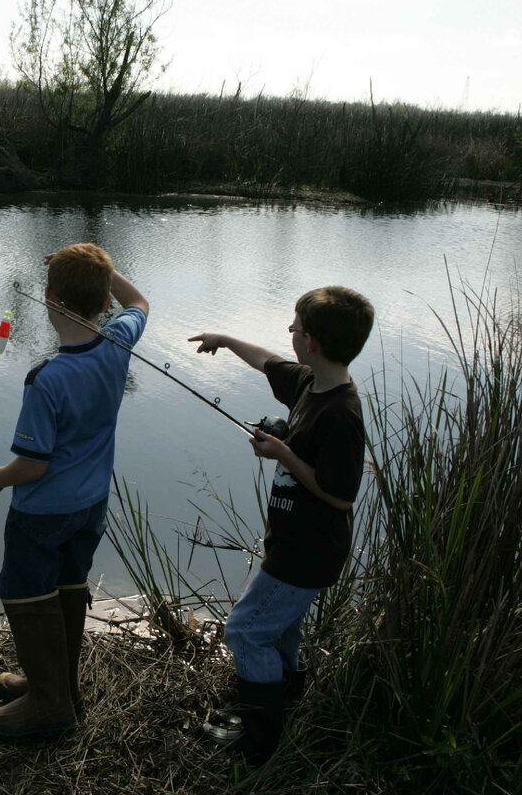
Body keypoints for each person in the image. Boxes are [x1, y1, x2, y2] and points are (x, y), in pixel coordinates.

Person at [0, 243, 149, 738]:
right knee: (67, 586)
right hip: (91, 508)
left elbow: (31, 465)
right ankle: (59, 684)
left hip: (42, 512)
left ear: (48, 296)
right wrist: (103, 268)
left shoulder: (47, 379)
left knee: (25, 591)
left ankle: (49, 707)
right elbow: (141, 305)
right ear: (103, 301)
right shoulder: (117, 342)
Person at [188, 286, 375, 765]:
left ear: (311, 342)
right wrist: (225, 339)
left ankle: (259, 739)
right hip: (294, 544)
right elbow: (267, 360)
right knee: (281, 632)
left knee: (247, 632)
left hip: (307, 551)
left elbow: (340, 493)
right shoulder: (311, 384)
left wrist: (282, 452)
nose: (288, 331)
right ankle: (279, 708)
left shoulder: (342, 414)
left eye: (296, 326)